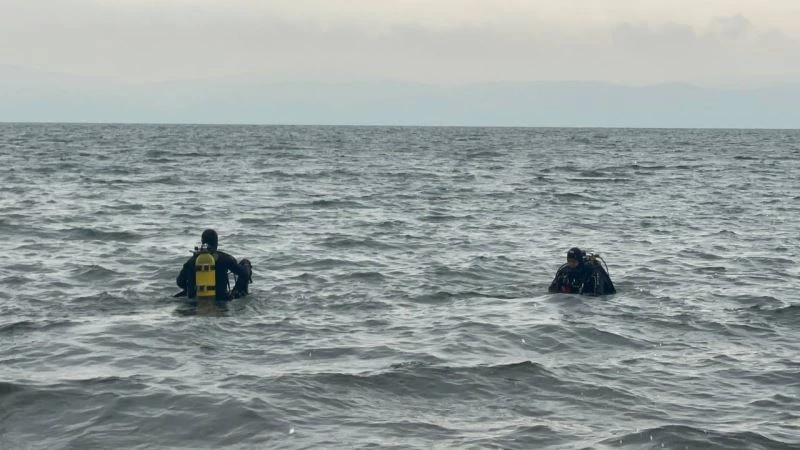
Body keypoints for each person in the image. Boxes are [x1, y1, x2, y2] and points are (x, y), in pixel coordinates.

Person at [176, 229, 252, 301]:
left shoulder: (192, 261)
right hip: (221, 301)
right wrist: (246, 265)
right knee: (245, 263)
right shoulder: (226, 258)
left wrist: (193, 289)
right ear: (216, 243)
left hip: (197, 302)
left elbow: (180, 282)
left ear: (202, 241)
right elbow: (244, 274)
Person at [548, 247, 616, 296]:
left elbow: (598, 295)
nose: (571, 264)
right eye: (569, 261)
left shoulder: (592, 271)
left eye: (574, 262)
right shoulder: (564, 271)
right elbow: (551, 289)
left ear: (579, 261)